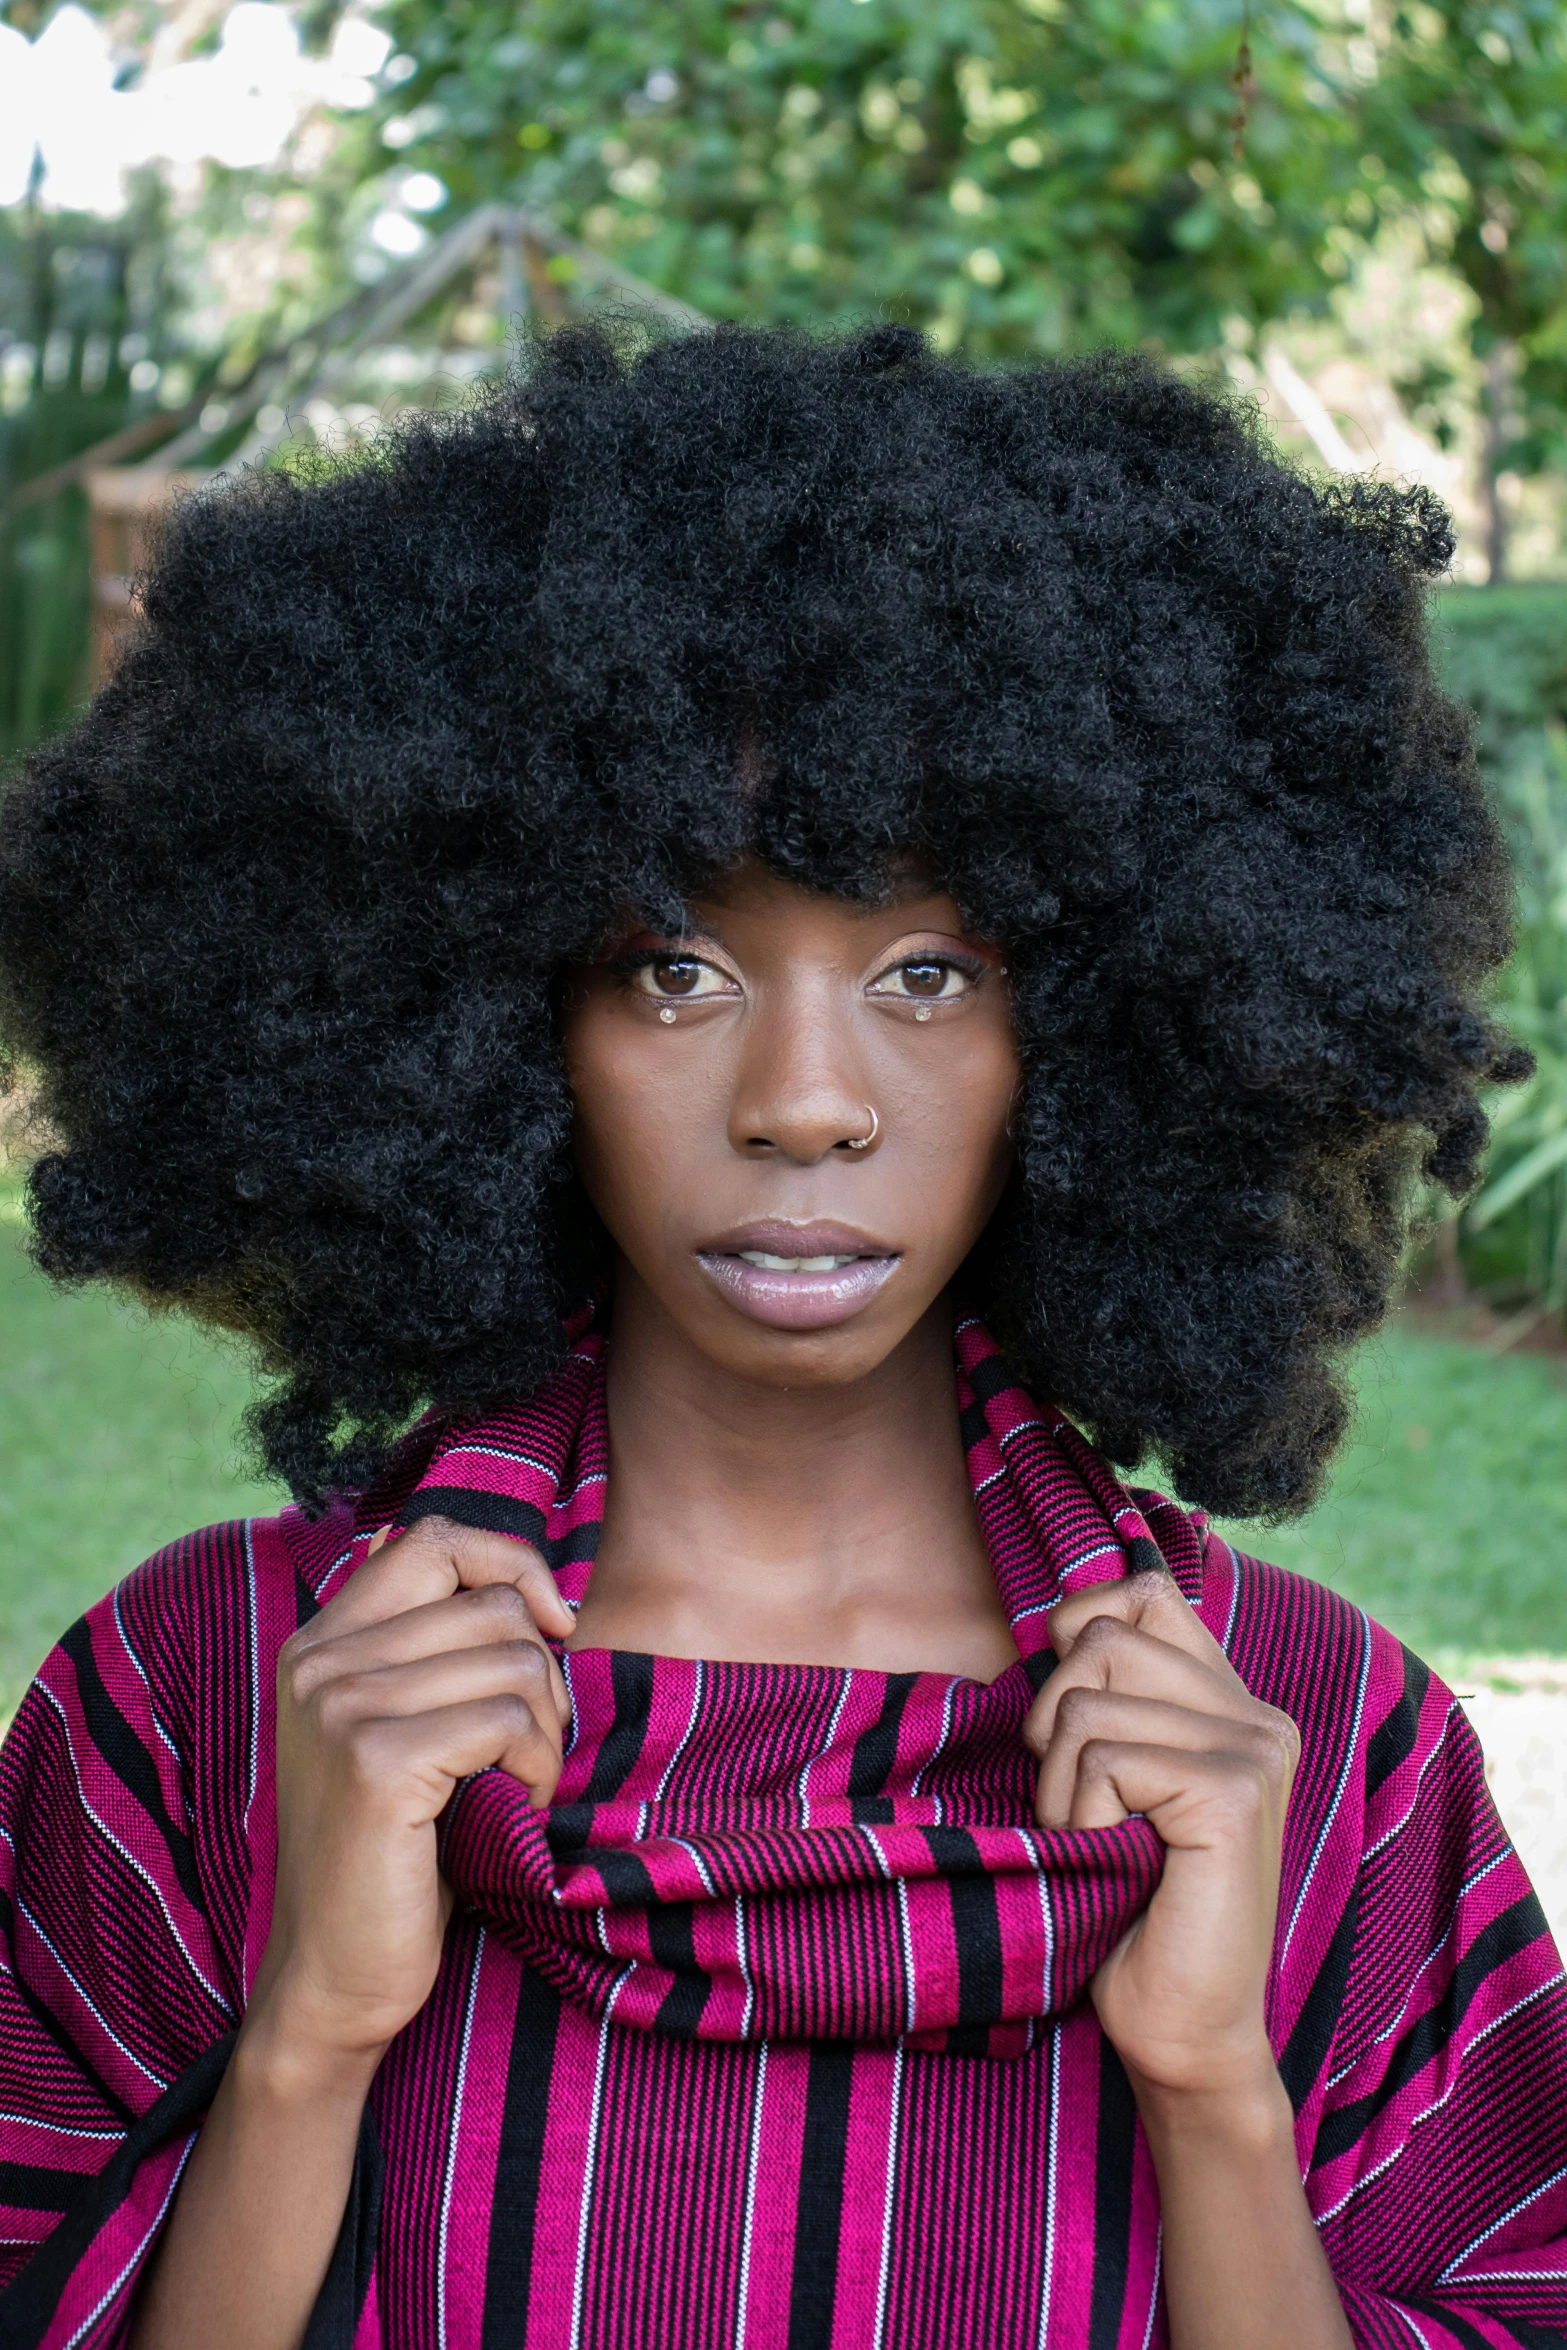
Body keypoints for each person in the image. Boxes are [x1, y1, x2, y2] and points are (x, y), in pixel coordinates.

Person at [0, 322, 1562, 2350]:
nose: (805, 1099)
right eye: (670, 966)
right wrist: (306, 2040)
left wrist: (1215, 2092)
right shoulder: (211, 1696)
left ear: (1097, 1025)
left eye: (930, 969)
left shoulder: (1308, 1747)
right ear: (491, 1014)